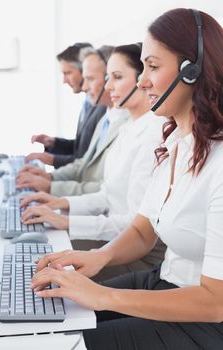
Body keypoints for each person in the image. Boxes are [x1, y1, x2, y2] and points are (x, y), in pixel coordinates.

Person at [30, 8, 223, 349]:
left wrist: (103, 296)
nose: (142, 80)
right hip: (164, 280)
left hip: (204, 317)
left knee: (70, 343)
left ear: (191, 71)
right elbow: (141, 230)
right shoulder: (175, 142)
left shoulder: (219, 162)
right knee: (58, 316)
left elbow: (214, 302)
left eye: (153, 66)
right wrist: (98, 258)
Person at [20, 44, 167, 280]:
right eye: (108, 77)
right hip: (114, 236)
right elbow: (105, 195)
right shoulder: (129, 129)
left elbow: (134, 225)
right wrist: (60, 203)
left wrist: (66, 220)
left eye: (117, 77)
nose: (108, 86)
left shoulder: (154, 136)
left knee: (41, 264)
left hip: (135, 255)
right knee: (37, 254)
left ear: (142, 80)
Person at [16, 46, 130, 196]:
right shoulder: (105, 117)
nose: (84, 86)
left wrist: (52, 185)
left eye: (89, 78)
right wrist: (50, 176)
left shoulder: (124, 124)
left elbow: (107, 188)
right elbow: (84, 162)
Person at [26, 42, 106, 168]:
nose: (64, 80)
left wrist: (51, 160)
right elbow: (83, 147)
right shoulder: (88, 102)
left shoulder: (103, 106)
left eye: (67, 73)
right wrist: (54, 143)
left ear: (83, 70)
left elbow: (88, 161)